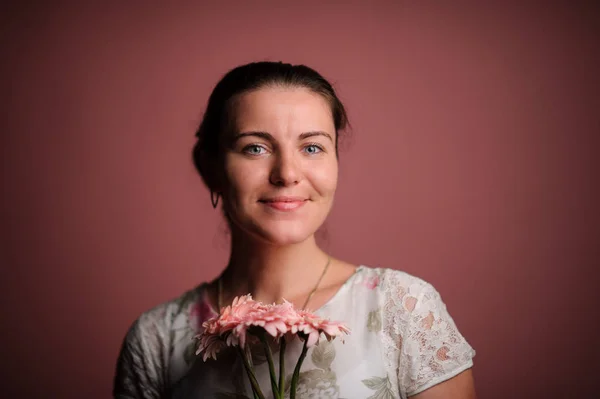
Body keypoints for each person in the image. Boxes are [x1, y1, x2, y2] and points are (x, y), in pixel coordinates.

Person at [113, 61, 477, 399]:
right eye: (255, 148)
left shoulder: (403, 311)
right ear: (211, 169)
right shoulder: (156, 340)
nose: (287, 173)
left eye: (312, 147)